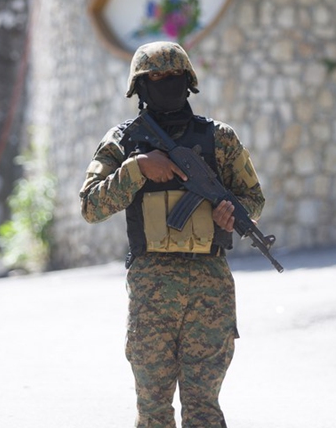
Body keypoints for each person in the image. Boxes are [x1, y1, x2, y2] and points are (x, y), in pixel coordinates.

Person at [79, 41, 265, 427]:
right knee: (153, 410)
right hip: (152, 289)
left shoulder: (220, 139)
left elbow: (254, 199)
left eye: (173, 76)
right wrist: (137, 168)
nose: (165, 83)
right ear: (140, 87)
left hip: (209, 289)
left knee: (203, 409)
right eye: (155, 78)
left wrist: (235, 214)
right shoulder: (122, 141)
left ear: (188, 81)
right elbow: (90, 206)